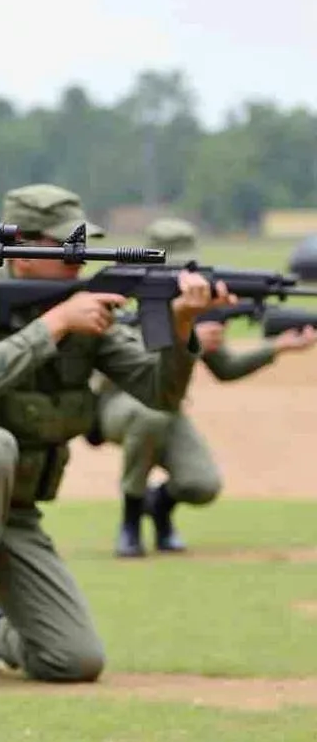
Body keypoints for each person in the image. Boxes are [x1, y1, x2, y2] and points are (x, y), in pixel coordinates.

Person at [0, 184, 223, 691]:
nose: (76, 260)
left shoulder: (88, 313)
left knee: (75, 660)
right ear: (21, 246)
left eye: (82, 246)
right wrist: (56, 323)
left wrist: (180, 324)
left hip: (10, 513)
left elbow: (159, 394)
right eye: (65, 246)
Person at [94, 217, 317, 557]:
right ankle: (130, 521)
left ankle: (159, 509)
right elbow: (112, 366)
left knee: (201, 485)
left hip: (166, 408)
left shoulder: (196, 309)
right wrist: (182, 335)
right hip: (118, 406)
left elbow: (225, 369)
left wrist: (279, 347)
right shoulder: (122, 301)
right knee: (151, 415)